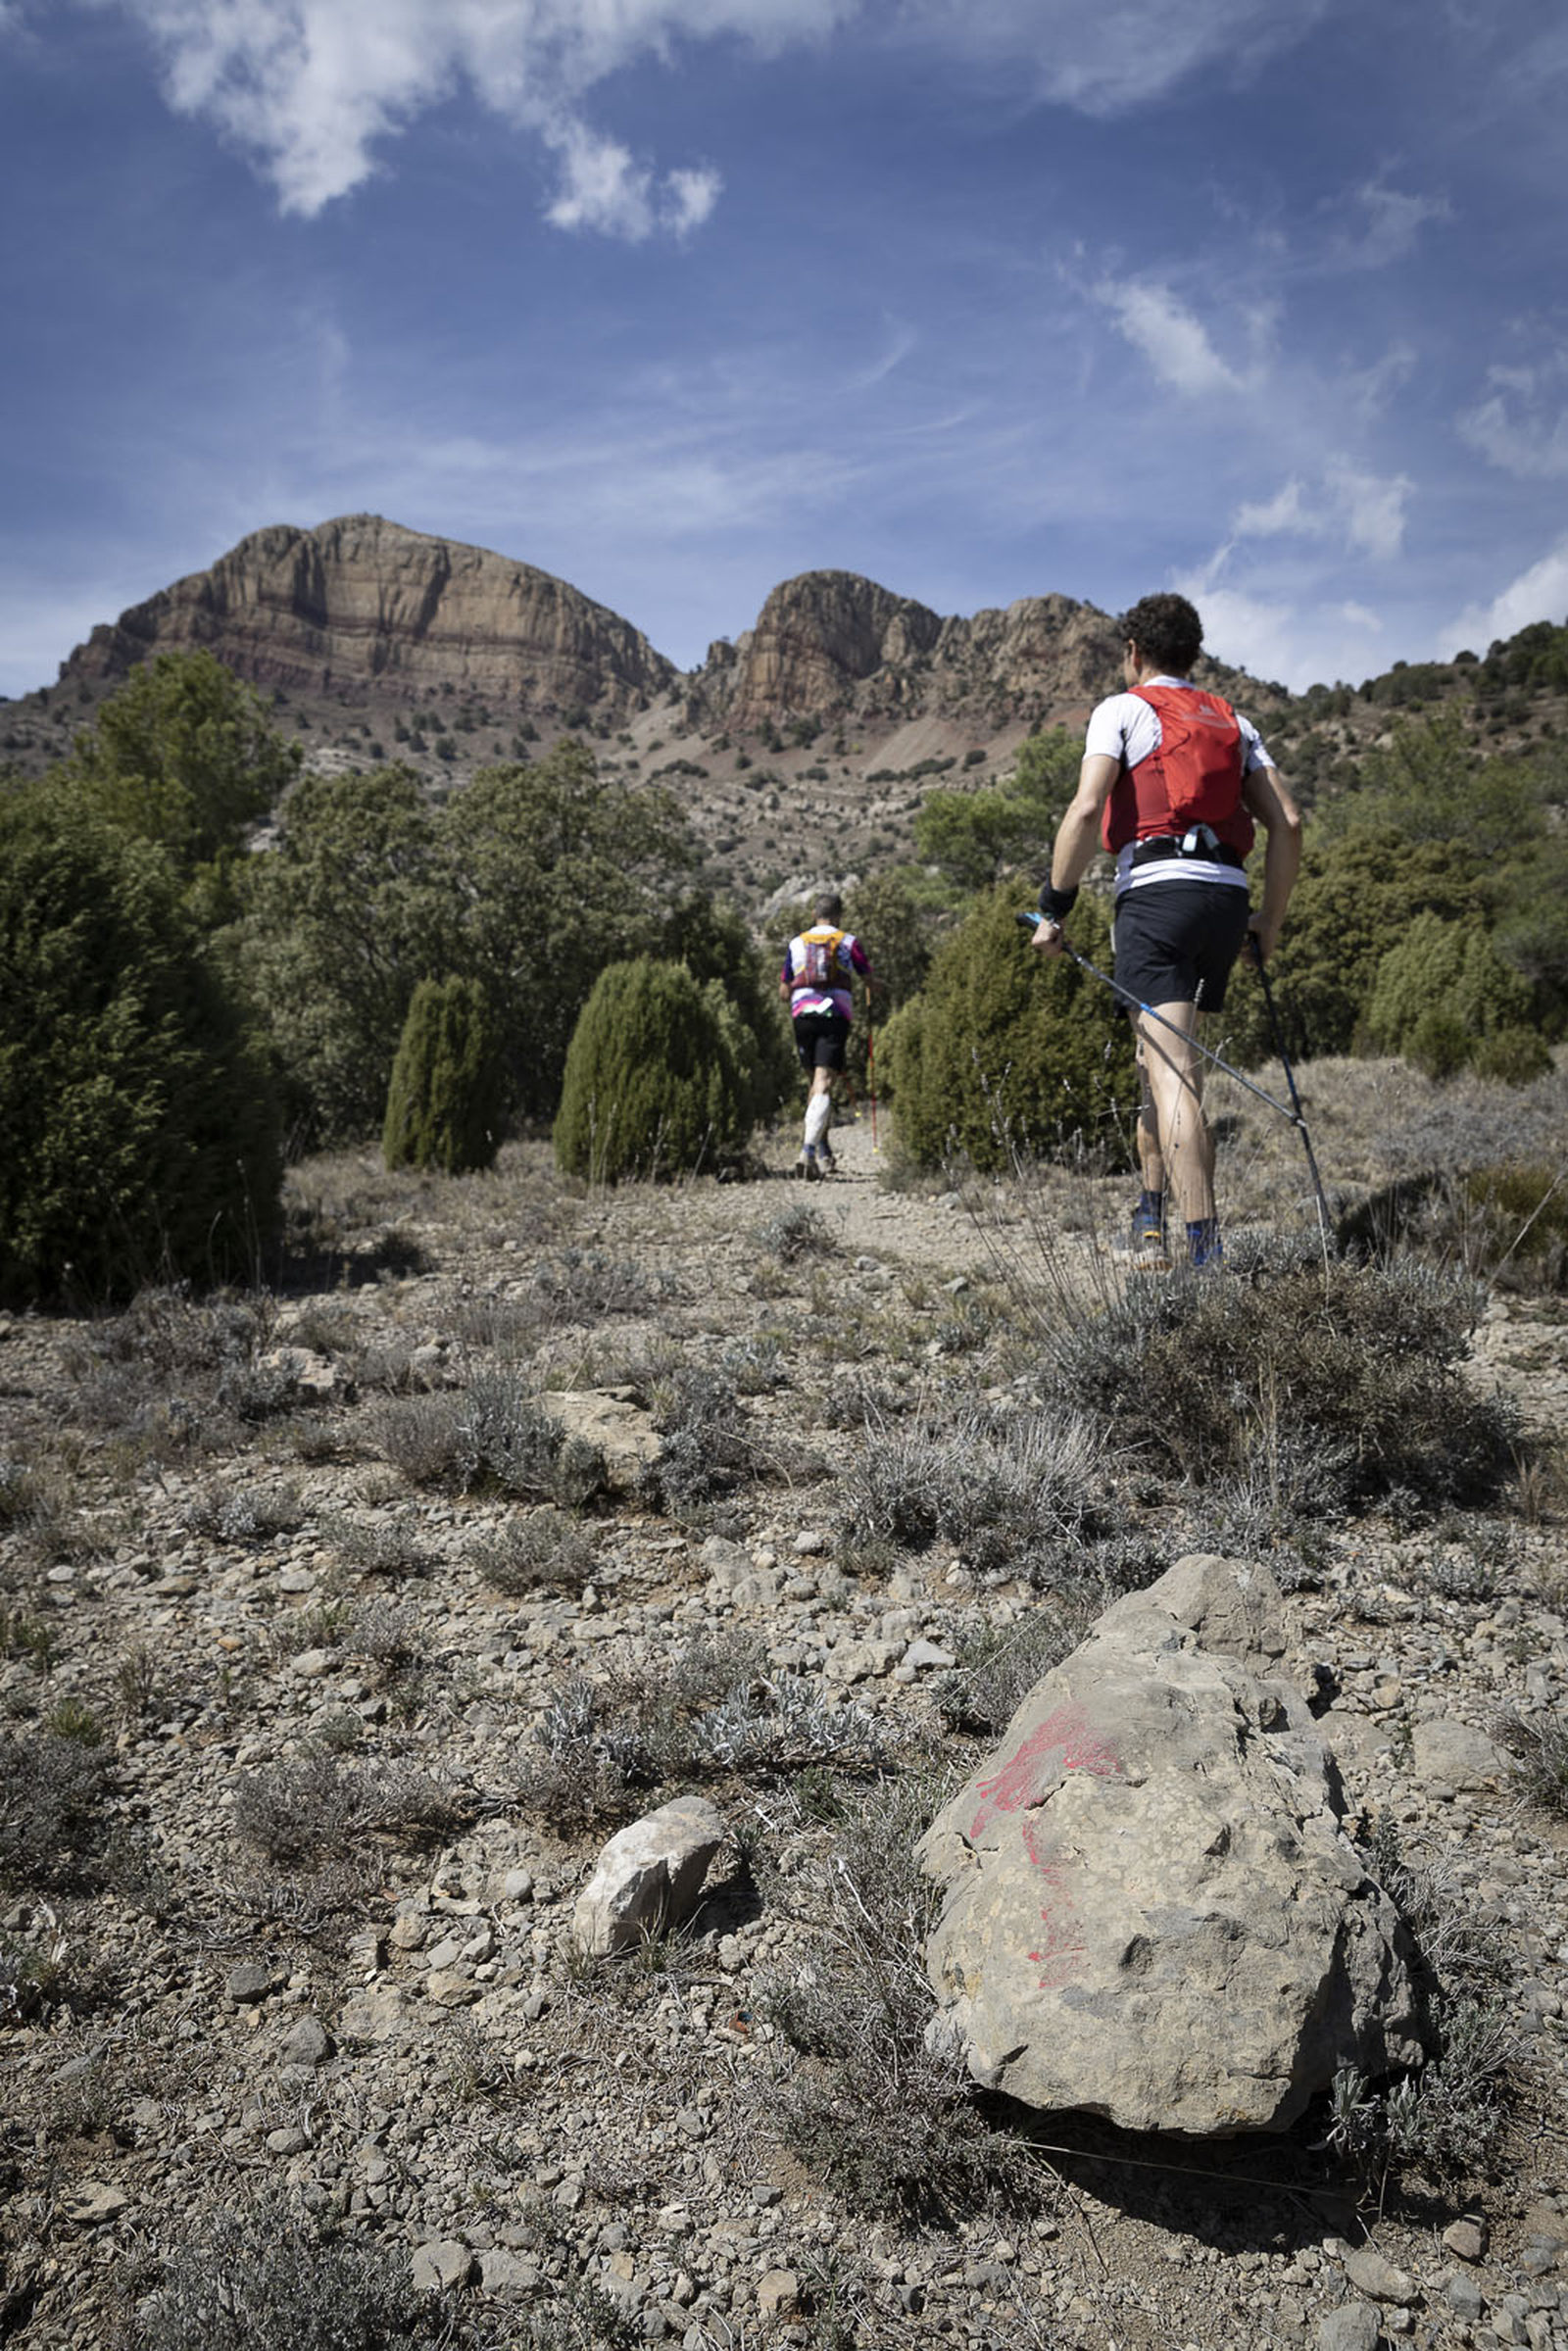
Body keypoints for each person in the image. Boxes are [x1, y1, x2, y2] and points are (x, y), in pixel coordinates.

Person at [1033, 592, 1300, 1269]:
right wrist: (1269, 922)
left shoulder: (1122, 710)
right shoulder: (1234, 720)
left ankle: (1204, 1253)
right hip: (1225, 900)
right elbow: (1288, 823)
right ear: (1194, 653)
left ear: (1134, 651)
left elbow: (1086, 809)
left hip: (1157, 897)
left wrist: (1053, 908)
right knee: (1160, 1062)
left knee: (1171, 1071)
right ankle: (1149, 1219)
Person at [780, 890, 874, 1179]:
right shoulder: (848, 942)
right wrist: (877, 988)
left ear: (814, 915)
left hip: (802, 1015)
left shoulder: (796, 943)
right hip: (835, 1014)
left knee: (815, 1083)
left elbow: (784, 990)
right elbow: (867, 977)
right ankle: (808, 1151)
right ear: (839, 916)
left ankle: (824, 1151)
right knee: (823, 1084)